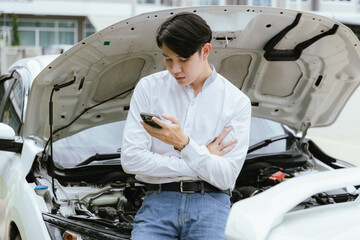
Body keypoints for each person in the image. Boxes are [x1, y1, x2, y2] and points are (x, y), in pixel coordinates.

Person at [121, 12, 251, 240]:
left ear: (206, 51)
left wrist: (184, 144)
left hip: (211, 204)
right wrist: (201, 158)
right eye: (168, 59)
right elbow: (131, 159)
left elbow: (226, 177)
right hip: (158, 202)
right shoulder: (148, 88)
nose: (175, 69)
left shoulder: (236, 101)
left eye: (183, 60)